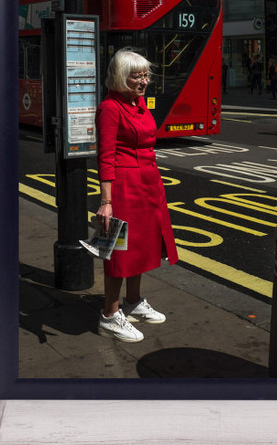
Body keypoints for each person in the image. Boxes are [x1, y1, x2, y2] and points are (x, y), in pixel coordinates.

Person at [95, 48, 179, 343]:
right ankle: (109, 314)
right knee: (119, 251)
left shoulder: (139, 103)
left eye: (145, 75)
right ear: (120, 77)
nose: (144, 82)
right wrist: (106, 201)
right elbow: (105, 156)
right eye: (136, 77)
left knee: (142, 245)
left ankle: (133, 302)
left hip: (148, 182)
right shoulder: (110, 108)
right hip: (125, 186)